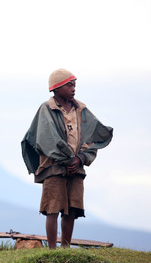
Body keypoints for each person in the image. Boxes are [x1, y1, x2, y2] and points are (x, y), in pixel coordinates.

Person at [21, 69, 113, 249]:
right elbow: (47, 139)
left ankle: (65, 248)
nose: (73, 89)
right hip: (54, 166)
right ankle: (53, 251)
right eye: (69, 85)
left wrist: (80, 159)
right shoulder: (46, 109)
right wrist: (67, 160)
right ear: (56, 88)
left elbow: (92, 137)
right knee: (52, 209)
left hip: (76, 166)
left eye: (74, 85)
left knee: (72, 210)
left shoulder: (82, 110)